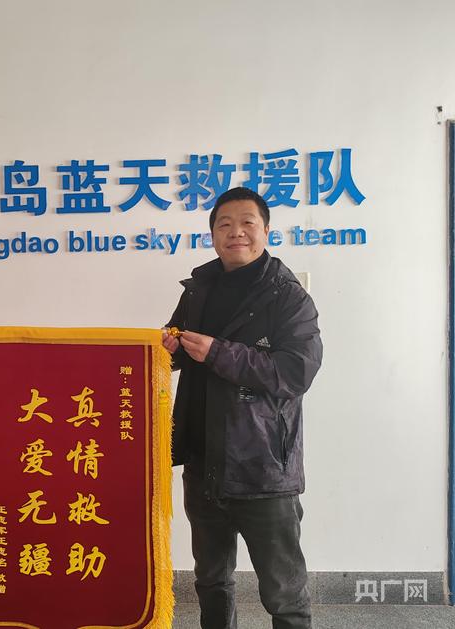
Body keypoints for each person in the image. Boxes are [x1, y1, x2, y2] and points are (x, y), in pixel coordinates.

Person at [162, 187, 322, 629]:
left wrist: (217, 352)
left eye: (247, 223)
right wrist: (165, 349)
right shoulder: (199, 289)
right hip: (203, 461)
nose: (236, 232)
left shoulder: (287, 296)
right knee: (211, 581)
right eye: (224, 224)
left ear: (266, 231)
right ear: (213, 234)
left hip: (263, 466)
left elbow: (295, 372)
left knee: (284, 594)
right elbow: (177, 347)